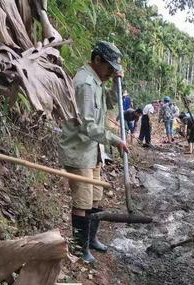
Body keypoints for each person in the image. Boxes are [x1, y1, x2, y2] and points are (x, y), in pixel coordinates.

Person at [58, 41, 129, 263]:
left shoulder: (97, 81)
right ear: (97, 60)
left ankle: (91, 239)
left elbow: (105, 103)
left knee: (95, 198)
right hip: (79, 150)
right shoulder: (85, 83)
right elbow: (88, 125)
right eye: (109, 67)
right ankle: (81, 248)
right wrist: (114, 139)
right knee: (82, 202)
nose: (111, 72)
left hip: (93, 150)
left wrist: (118, 86)